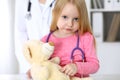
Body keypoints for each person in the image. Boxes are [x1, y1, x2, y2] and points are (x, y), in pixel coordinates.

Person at [41, 0, 99, 78]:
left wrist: (77, 67)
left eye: (76, 19)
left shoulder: (86, 38)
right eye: (65, 17)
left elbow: (94, 65)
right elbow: (39, 63)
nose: (70, 24)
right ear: (55, 14)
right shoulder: (45, 41)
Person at [14, 0, 56, 73]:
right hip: (30, 66)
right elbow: (20, 34)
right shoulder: (22, 2)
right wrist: (28, 67)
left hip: (56, 63)